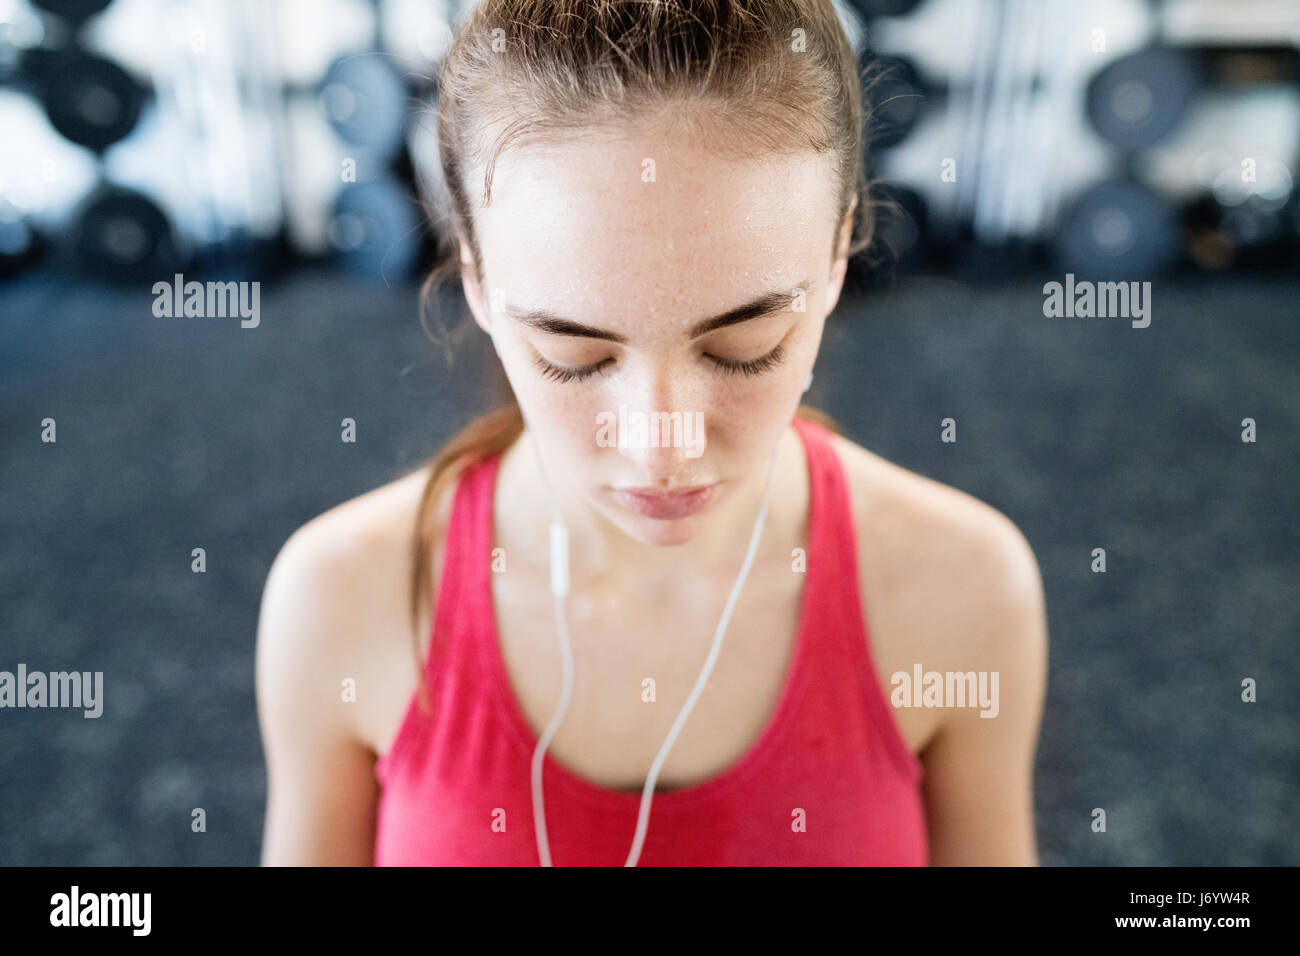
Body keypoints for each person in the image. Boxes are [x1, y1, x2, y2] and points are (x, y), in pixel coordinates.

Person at [256, 0, 1047, 866]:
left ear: (838, 252)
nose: (661, 449)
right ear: (476, 283)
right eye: (574, 355)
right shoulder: (336, 601)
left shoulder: (967, 589)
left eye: (746, 349)